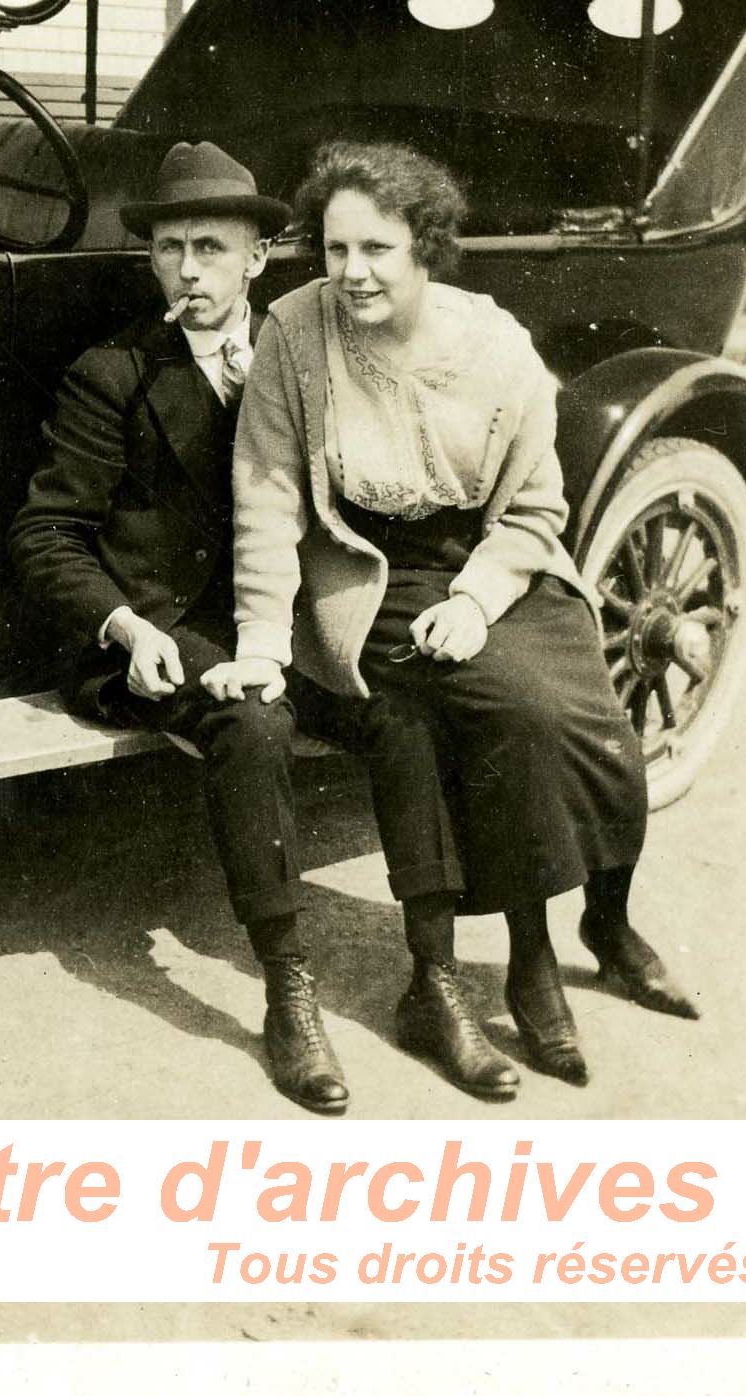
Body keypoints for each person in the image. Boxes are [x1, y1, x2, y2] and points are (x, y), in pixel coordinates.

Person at [204, 139, 697, 1094]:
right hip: (373, 575)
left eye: (377, 250)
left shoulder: (495, 343)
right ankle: (527, 964)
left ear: (425, 247)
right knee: (499, 714)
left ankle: (596, 922)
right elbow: (264, 495)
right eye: (336, 250)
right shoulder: (293, 334)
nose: (351, 274)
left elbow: (536, 509)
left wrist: (477, 598)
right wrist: (264, 639)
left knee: (587, 718)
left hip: (493, 566)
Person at [9, 140, 352, 1113]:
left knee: (405, 696)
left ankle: (435, 967)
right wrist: (121, 625)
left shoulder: (300, 363)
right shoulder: (110, 373)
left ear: (258, 258)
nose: (188, 270)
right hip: (151, 633)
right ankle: (288, 986)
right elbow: (45, 531)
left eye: (210, 246)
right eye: (169, 248)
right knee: (254, 725)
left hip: (268, 614)